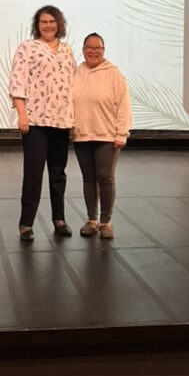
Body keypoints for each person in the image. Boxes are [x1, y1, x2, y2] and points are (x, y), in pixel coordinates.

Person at [9, 6, 76, 241]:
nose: (48, 25)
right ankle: (26, 223)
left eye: (52, 21)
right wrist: (22, 114)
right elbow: (17, 83)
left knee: (58, 173)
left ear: (60, 23)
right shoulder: (27, 48)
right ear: (37, 25)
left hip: (62, 120)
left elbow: (73, 85)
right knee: (33, 173)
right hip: (35, 120)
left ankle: (59, 219)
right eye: (43, 22)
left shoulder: (67, 51)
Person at [72, 33, 132, 240]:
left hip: (107, 135)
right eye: (89, 47)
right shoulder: (76, 72)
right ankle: (92, 220)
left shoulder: (114, 73)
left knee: (105, 178)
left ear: (103, 50)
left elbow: (124, 105)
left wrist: (121, 134)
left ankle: (106, 222)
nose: (93, 51)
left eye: (98, 48)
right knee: (88, 178)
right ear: (83, 49)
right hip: (82, 135)